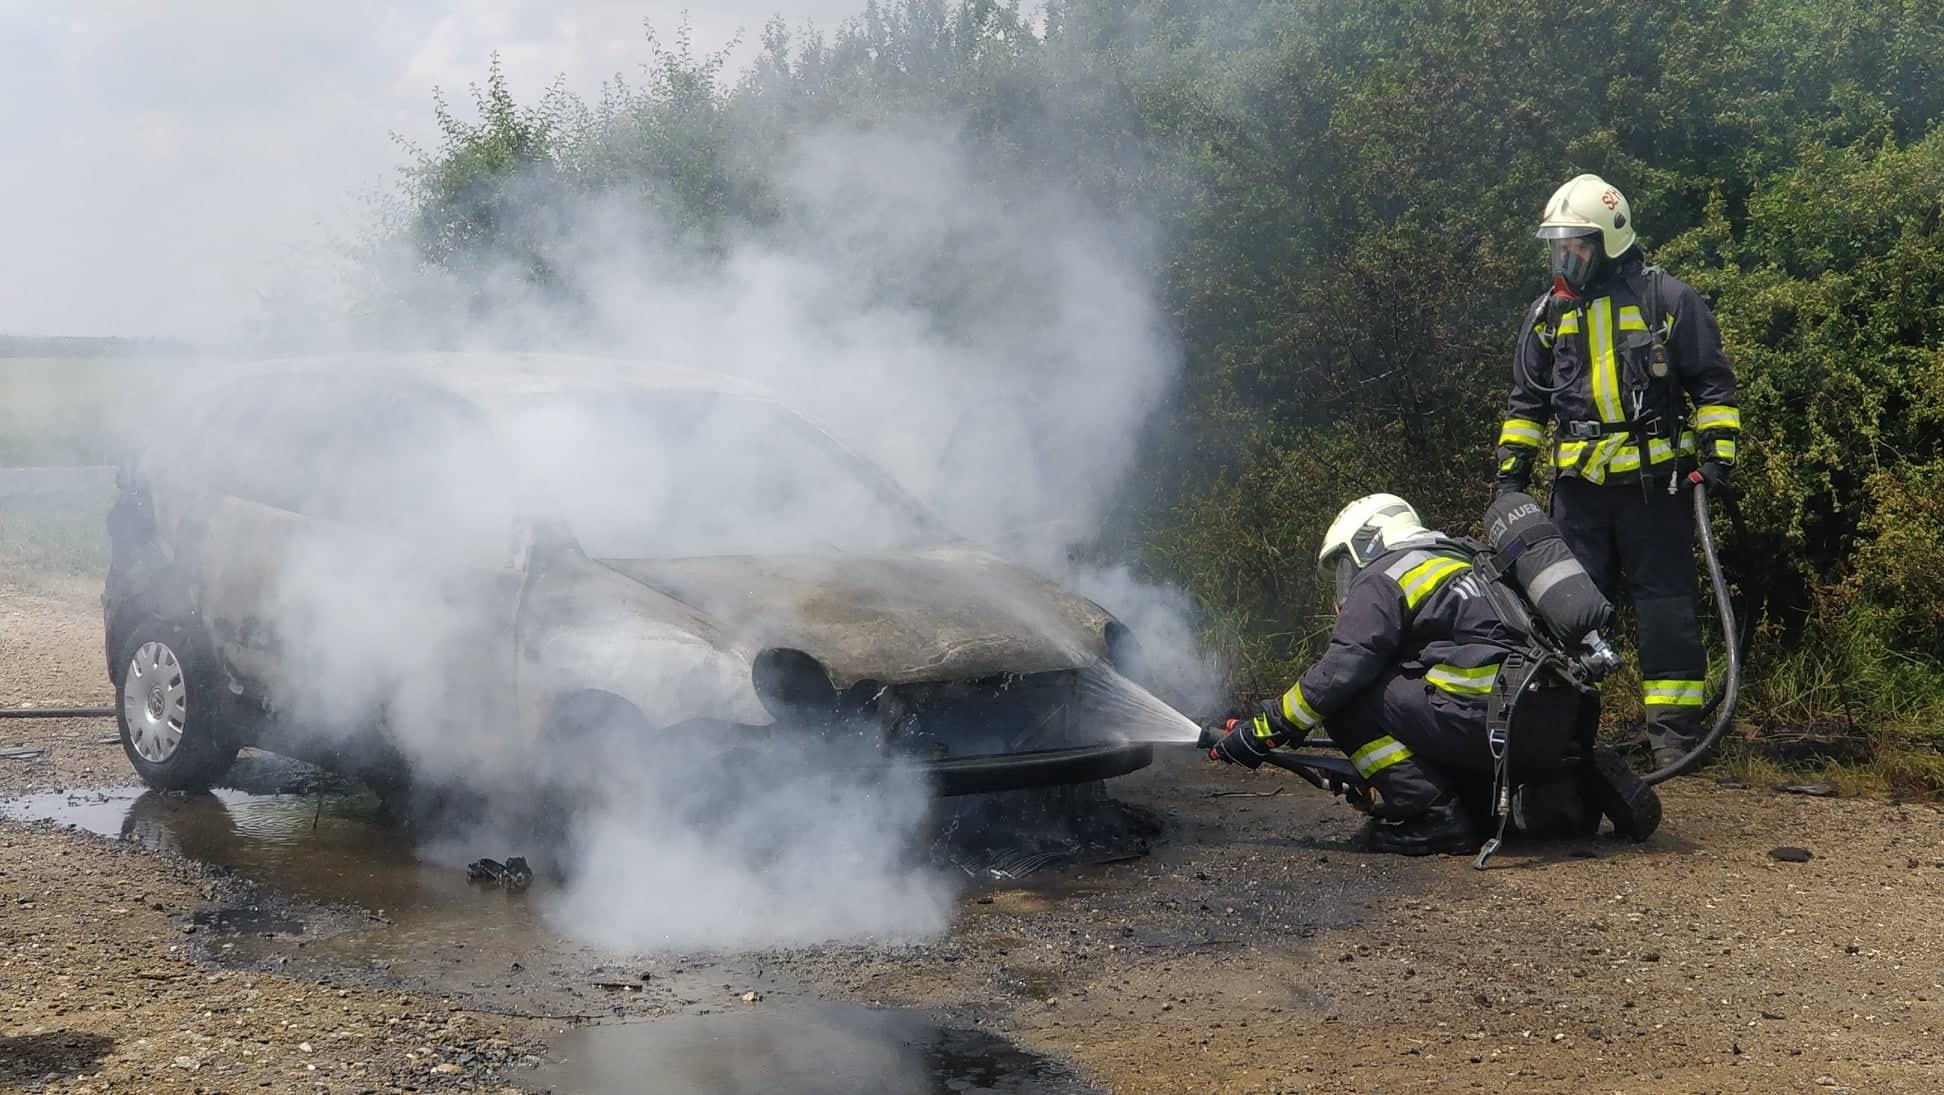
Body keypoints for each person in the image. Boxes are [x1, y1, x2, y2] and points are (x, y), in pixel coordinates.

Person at [1205, 493, 1654, 856]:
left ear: (1369, 539)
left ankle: (1433, 817)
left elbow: (1341, 671)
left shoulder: (1386, 573)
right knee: (1406, 691)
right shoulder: (1468, 560)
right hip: (1551, 726)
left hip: (1489, 720)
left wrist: (1264, 729)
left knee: (1348, 702)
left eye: (1345, 565)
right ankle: (1578, 779)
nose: (1347, 583)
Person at [1494, 173, 1742, 770]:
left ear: (1609, 240)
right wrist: (1511, 478)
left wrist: (1717, 462)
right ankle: (1566, 742)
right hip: (1577, 498)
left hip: (1656, 492)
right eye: (1557, 246)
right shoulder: (1547, 316)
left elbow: (1713, 385)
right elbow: (1525, 403)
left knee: (1667, 613)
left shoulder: (1667, 301)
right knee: (1565, 618)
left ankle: (1676, 742)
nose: (1564, 257)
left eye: (1574, 245)